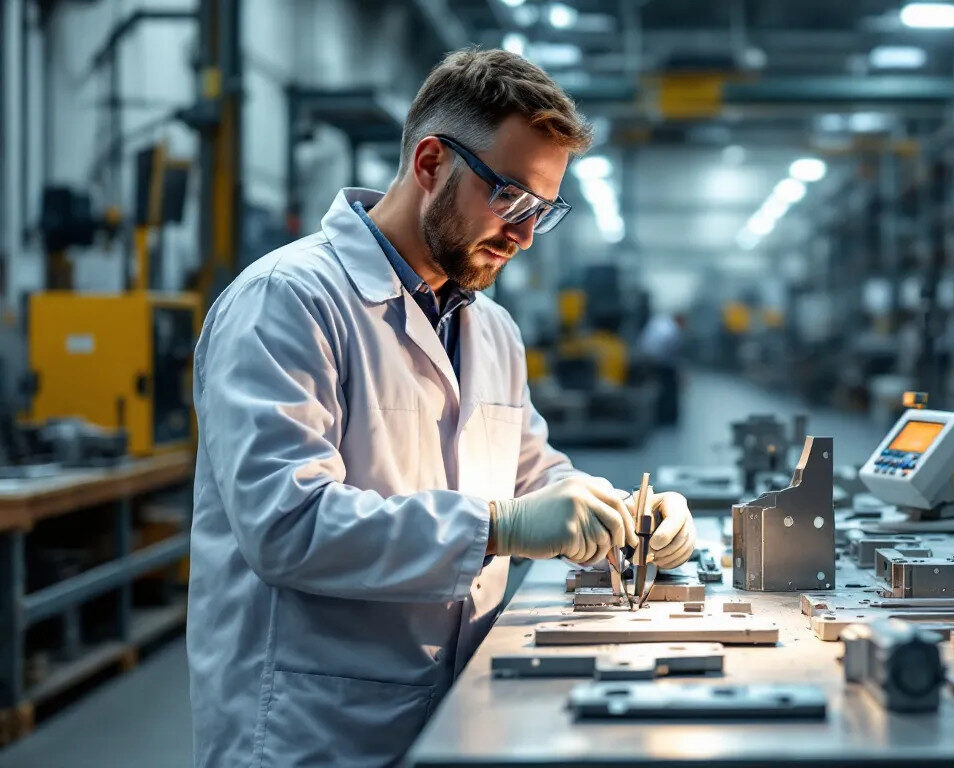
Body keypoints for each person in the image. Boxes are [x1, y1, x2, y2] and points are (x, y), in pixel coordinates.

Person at [186, 48, 696, 767]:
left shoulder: (489, 327)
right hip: (315, 727)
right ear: (431, 164)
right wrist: (502, 527)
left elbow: (533, 476)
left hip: (459, 712)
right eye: (511, 198)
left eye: (542, 212)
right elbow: (286, 525)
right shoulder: (288, 301)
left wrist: (621, 515)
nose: (522, 234)